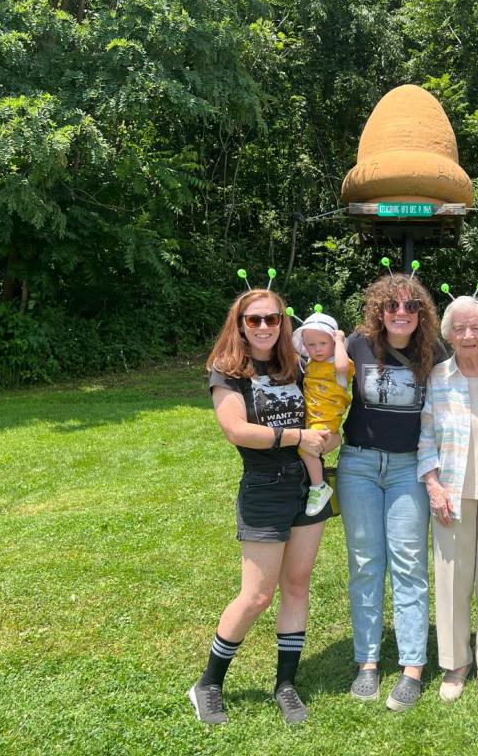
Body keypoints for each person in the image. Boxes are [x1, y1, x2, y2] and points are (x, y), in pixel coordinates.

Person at [189, 288, 335, 726]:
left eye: (273, 319)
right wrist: (296, 439)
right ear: (240, 324)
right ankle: (208, 684)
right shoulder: (228, 371)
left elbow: (322, 414)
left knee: (297, 584)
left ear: (283, 322)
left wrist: (326, 437)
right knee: (256, 595)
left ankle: (285, 684)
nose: (265, 327)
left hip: (308, 486)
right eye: (254, 320)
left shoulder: (298, 364)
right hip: (264, 487)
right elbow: (235, 429)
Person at [336, 273, 446, 711]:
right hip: (359, 464)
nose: (402, 314)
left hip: (407, 469)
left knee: (409, 563)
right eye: (393, 306)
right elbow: (319, 372)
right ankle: (367, 663)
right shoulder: (357, 346)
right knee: (365, 563)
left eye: (411, 307)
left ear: (422, 314)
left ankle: (412, 667)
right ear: (379, 310)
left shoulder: (433, 353)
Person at [418, 296, 478, 709]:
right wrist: (433, 485)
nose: (468, 335)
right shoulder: (438, 377)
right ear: (449, 335)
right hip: (450, 492)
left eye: (475, 327)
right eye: (459, 329)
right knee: (452, 580)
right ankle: (456, 663)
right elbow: (425, 435)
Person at [291, 312, 354, 516]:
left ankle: (319, 486)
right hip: (311, 419)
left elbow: (343, 366)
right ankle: (314, 483)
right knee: (304, 448)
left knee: (306, 450)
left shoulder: (339, 366)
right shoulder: (311, 364)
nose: (317, 349)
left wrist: (340, 341)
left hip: (326, 422)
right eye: (311, 345)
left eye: (322, 343)